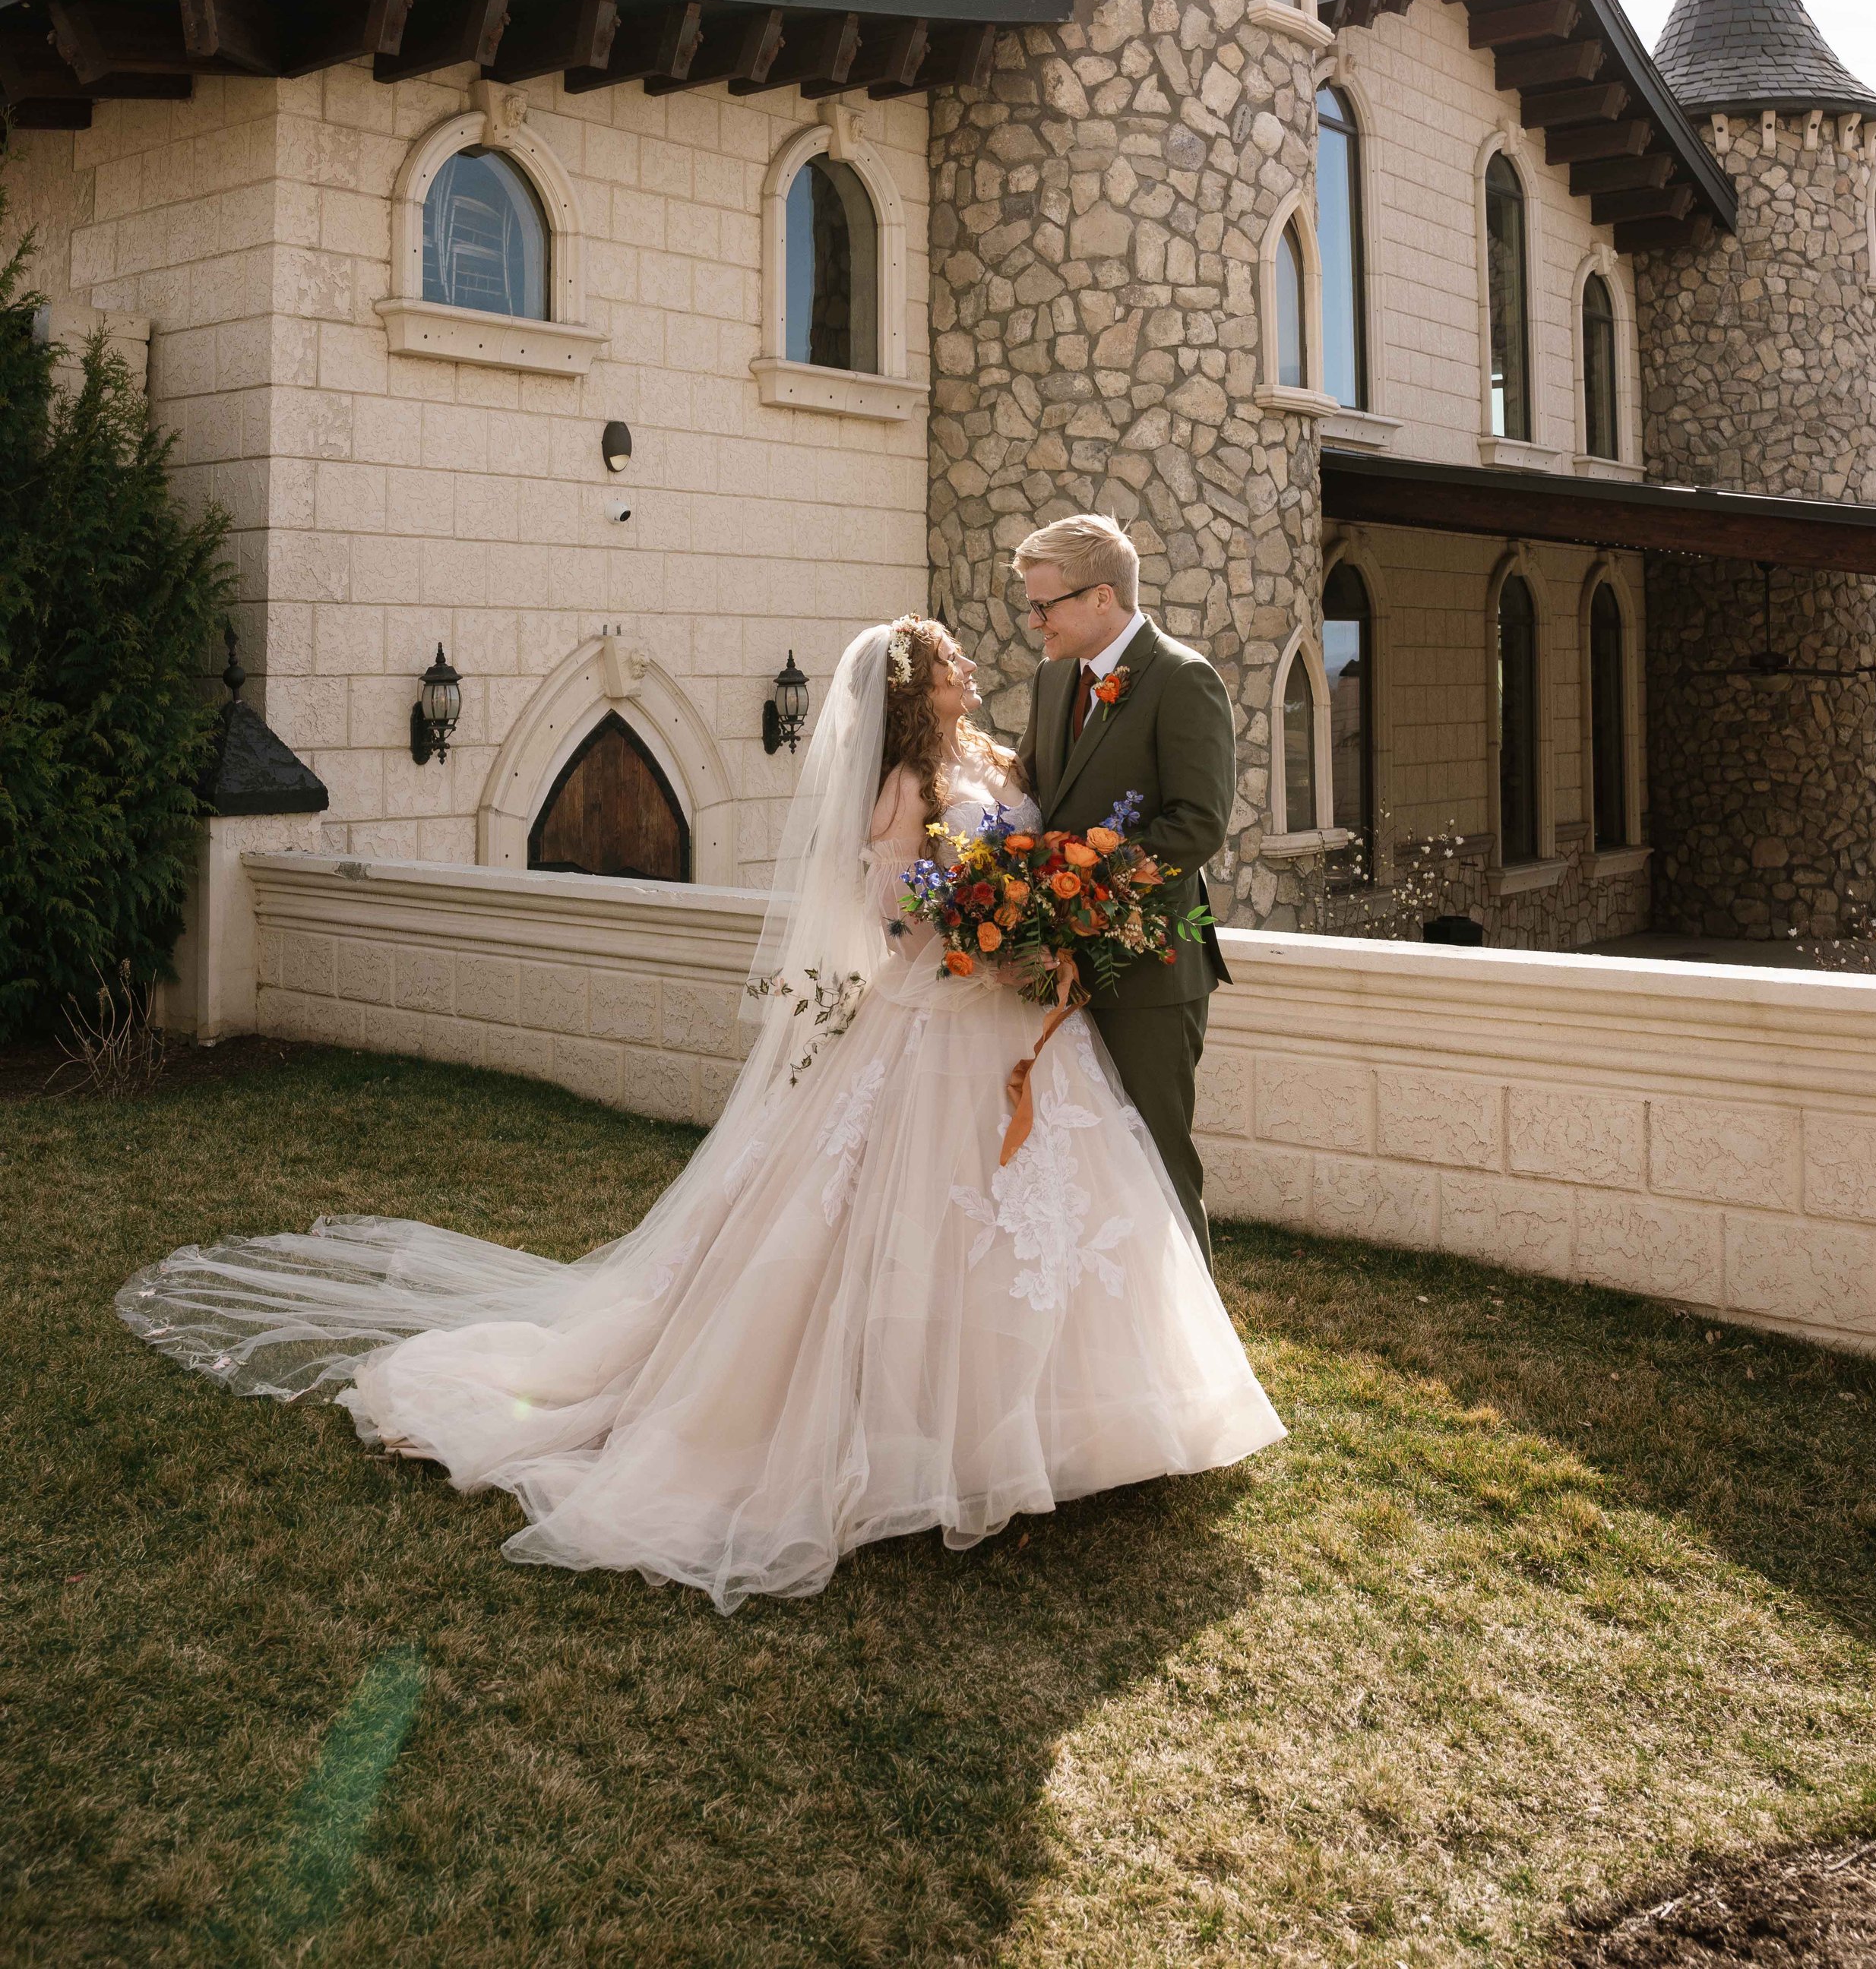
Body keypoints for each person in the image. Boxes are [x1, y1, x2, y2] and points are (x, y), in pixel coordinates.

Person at [117, 618, 1280, 1611]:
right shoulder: (904, 787)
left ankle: (1075, 1424)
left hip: (1019, 1025)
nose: (970, 659)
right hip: (937, 1019)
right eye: (949, 657)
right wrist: (979, 944)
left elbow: (1030, 846)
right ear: (913, 688)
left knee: (1042, 1224)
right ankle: (914, 1430)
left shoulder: (989, 752)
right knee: (905, 1226)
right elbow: (890, 915)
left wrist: (1028, 934)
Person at [1011, 515, 1236, 1264]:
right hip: (1058, 963)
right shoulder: (1050, 679)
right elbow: (1033, 794)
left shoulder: (1182, 678)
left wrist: (1081, 879)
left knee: (1155, 1158)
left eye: (1045, 605)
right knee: (1083, 1168)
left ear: (1102, 596)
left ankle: (1200, 1360)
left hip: (1150, 969)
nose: (1033, 621)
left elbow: (1197, 825)